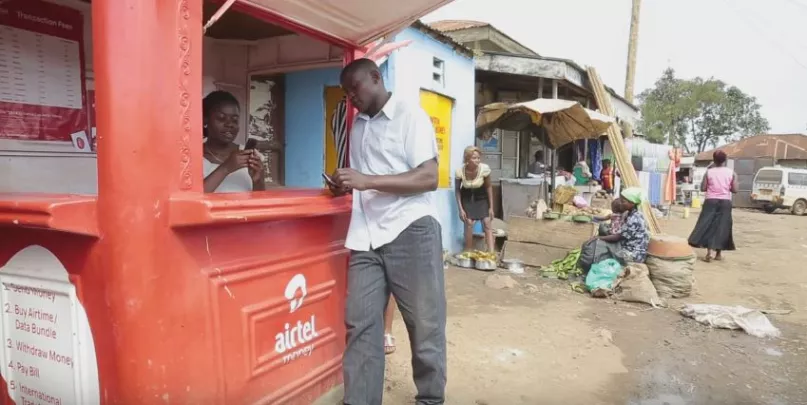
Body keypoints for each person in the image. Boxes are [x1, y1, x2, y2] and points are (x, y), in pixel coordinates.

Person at [329, 58, 446, 405]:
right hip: (366, 236)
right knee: (361, 326)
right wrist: (348, 185)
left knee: (425, 326)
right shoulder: (358, 126)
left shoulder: (411, 116)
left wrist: (366, 180)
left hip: (411, 229)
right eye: (347, 93)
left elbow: (429, 177)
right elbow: (368, 182)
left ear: (377, 78)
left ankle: (430, 399)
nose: (351, 98)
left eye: (356, 88)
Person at [202, 91, 265, 192]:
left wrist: (258, 180)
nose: (229, 124)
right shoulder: (191, 158)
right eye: (221, 118)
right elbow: (192, 199)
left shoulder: (249, 156)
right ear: (205, 120)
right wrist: (226, 168)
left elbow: (260, 199)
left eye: (234, 120)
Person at [580, 187, 650, 272]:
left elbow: (617, 237)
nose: (620, 204)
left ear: (632, 203)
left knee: (596, 245)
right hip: (626, 245)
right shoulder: (631, 213)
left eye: (623, 202)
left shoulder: (635, 218)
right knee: (599, 244)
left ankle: (591, 268)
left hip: (633, 254)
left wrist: (597, 238)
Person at [688, 150, 737, 262]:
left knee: (709, 225)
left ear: (714, 160)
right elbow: (735, 190)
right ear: (725, 160)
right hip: (725, 202)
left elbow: (703, 188)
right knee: (722, 227)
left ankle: (709, 253)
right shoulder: (732, 173)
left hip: (710, 201)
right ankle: (718, 254)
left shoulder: (709, 172)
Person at [455, 146, 495, 252]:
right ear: (467, 159)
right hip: (467, 197)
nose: (477, 160)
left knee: (486, 222)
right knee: (468, 223)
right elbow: (457, 190)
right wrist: (461, 209)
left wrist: (491, 207)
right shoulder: (460, 172)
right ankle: (468, 252)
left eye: (478, 158)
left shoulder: (484, 169)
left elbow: (489, 187)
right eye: (474, 158)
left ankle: (491, 253)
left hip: (481, 197)